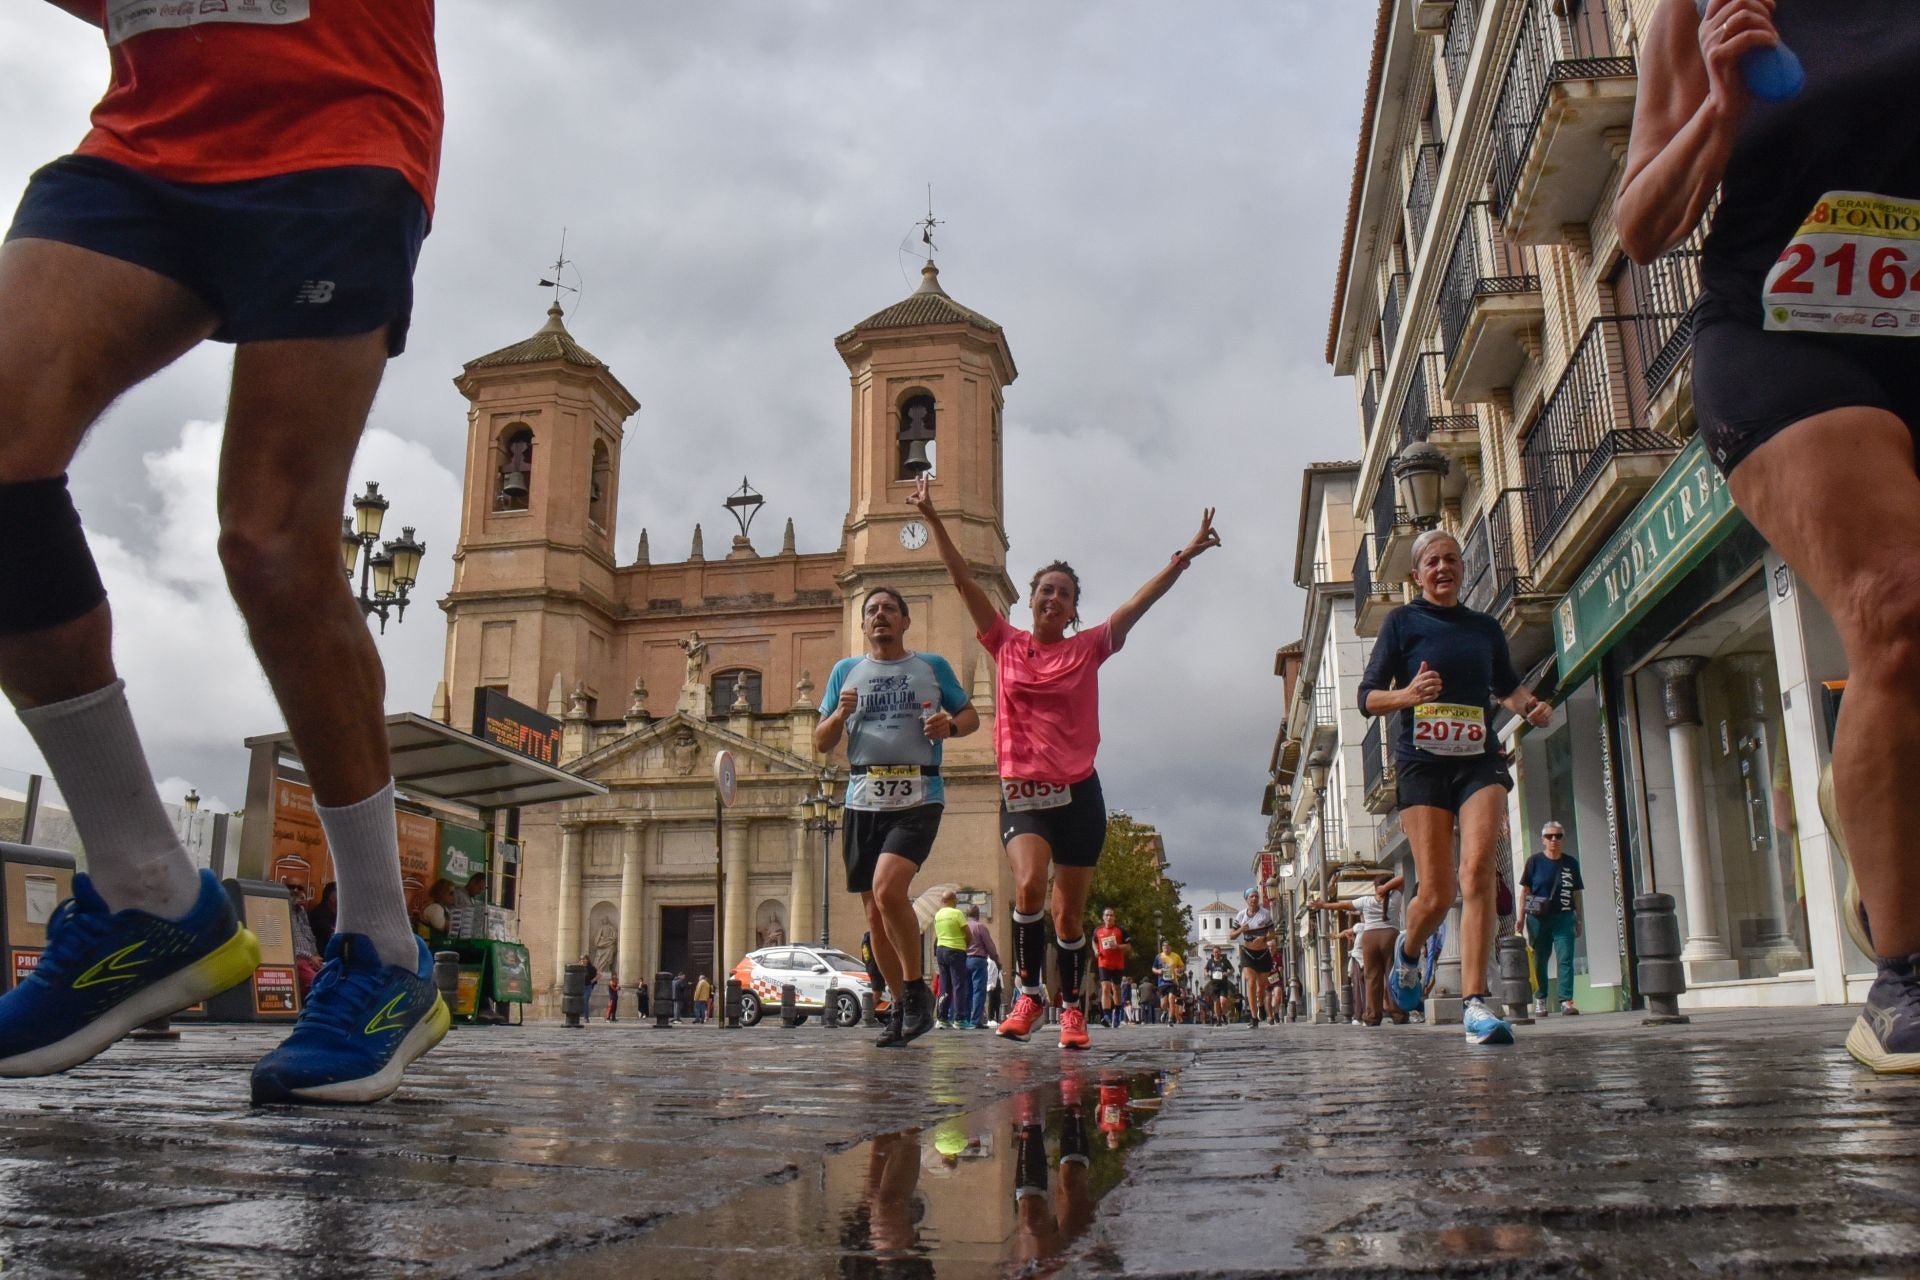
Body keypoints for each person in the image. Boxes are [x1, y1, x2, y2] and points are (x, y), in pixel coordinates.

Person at [0, 2, 448, 1105]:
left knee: (274, 545)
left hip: (337, 132)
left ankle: (386, 950)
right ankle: (146, 888)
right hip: (143, 146)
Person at [1615, 0, 1920, 1075]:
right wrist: (1720, 110)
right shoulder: (1706, 10)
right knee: (1898, 603)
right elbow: (1640, 226)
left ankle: (1870, 799)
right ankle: (1904, 977)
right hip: (1781, 332)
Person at [918, 476, 1222, 1050]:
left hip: (1079, 793)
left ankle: (1073, 1010)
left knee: (1069, 917)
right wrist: (933, 518)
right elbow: (961, 580)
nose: (1052, 598)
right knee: (1028, 884)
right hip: (1023, 792)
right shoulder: (1004, 642)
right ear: (1031, 599)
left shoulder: (1090, 647)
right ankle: (1030, 995)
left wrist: (1184, 555)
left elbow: (1140, 604)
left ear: (1074, 609)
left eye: (1063, 593)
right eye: (1044, 590)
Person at [1358, 528, 1555, 1046]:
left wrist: (1529, 706)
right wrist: (1408, 694)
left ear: (1461, 569)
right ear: (1417, 574)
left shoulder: (1484, 628)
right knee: (1437, 892)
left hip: (1477, 759)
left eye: (1451, 559)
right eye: (1433, 562)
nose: (1443, 568)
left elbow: (1506, 686)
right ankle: (1408, 954)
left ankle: (1474, 1003)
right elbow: (1367, 698)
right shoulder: (1402, 623)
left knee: (1479, 871)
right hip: (1422, 764)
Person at [815, 585, 978, 1047]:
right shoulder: (845, 671)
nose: (880, 615)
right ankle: (901, 1008)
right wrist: (839, 715)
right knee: (875, 914)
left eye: (889, 608)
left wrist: (950, 725)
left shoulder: (932, 666)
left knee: (889, 889)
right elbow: (821, 741)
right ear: (863, 624)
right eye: (872, 610)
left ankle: (915, 990)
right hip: (862, 796)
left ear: (906, 621)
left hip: (919, 793)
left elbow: (969, 717)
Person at [1518, 822, 1584, 1016]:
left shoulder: (1571, 863)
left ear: (1562, 839)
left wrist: (1579, 919)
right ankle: (1541, 1000)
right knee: (1540, 959)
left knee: (1565, 958)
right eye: (1549, 836)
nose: (1553, 839)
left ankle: (1566, 1001)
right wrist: (1520, 918)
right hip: (1538, 919)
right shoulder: (1534, 862)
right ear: (1543, 840)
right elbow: (1525, 892)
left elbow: (1576, 893)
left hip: (1564, 917)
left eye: (1558, 836)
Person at [1228, 888, 1275, 1027]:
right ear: (1246, 899)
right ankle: (1254, 1018)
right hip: (1248, 953)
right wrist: (1241, 929)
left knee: (1261, 988)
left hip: (1263, 953)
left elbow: (1273, 933)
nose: (1254, 899)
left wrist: (1264, 938)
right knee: (1251, 982)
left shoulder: (1265, 914)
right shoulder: (1241, 915)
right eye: (1251, 897)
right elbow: (1231, 936)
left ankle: (1260, 1004)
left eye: (1256, 896)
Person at [931, 891, 973, 1031]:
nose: (957, 902)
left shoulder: (938, 915)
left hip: (941, 950)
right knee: (959, 985)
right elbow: (968, 934)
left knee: (944, 985)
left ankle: (942, 1018)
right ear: (952, 900)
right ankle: (959, 1019)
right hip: (956, 950)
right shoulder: (957, 913)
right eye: (956, 899)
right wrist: (964, 947)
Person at [1091, 908, 1133, 1030]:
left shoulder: (1120, 930)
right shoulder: (1098, 930)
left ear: (1114, 917)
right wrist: (1096, 950)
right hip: (1103, 963)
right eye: (1107, 915)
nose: (1109, 917)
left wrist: (1118, 946)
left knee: (1116, 989)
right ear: (1103, 917)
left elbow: (1128, 947)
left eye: (1111, 915)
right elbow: (1094, 941)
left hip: (1117, 964)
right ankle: (1107, 1016)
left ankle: (1117, 1012)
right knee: (1105, 988)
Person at [964, 904, 999, 1030]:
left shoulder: (963, 927)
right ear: (977, 914)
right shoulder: (980, 927)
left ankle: (966, 1019)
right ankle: (975, 1020)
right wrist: (996, 959)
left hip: (964, 960)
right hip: (978, 960)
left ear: (966, 915)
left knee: (967, 991)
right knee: (978, 991)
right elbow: (990, 946)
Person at [414, 880, 454, 953]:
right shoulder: (435, 908)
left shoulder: (444, 908)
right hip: (429, 951)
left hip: (437, 949)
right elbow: (447, 927)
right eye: (451, 893)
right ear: (441, 893)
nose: (454, 896)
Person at [1204, 947, 1235, 1025]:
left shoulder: (1225, 961)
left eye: (1217, 952)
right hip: (1214, 985)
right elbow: (1205, 969)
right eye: (1215, 952)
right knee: (1216, 1003)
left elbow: (1232, 969)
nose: (1216, 953)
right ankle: (1218, 1020)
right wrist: (1206, 973)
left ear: (1220, 952)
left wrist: (1227, 973)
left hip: (1223, 984)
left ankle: (1223, 1014)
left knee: (1223, 1002)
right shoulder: (1210, 961)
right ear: (1212, 953)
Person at [307, 882, 338, 955]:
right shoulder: (319, 913)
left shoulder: (335, 911)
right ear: (332, 897)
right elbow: (332, 934)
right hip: (322, 953)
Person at [579, 954, 599, 1019]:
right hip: (579, 987)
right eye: (581, 959)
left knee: (585, 1001)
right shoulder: (579, 967)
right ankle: (578, 1016)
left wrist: (592, 981)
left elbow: (599, 974)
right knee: (580, 1001)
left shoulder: (591, 968)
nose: (582, 960)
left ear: (587, 960)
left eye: (584, 959)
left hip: (587, 987)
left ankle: (586, 1018)